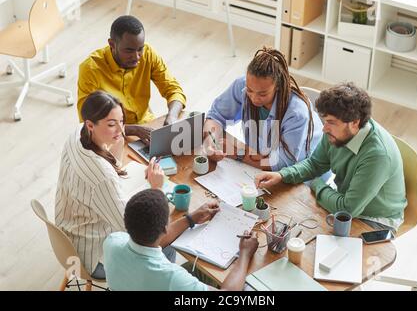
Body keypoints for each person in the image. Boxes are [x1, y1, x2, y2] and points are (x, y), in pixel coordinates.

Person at [55, 91, 195, 279]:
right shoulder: (101, 177)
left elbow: (114, 163)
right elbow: (140, 234)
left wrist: (118, 136)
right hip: (92, 254)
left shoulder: (78, 133)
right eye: (111, 124)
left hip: (69, 228)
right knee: (165, 246)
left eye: (122, 121)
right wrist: (156, 189)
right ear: (90, 125)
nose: (120, 130)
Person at [255, 82, 407, 232]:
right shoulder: (338, 133)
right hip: (345, 198)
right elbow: (315, 164)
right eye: (325, 121)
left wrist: (316, 184)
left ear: (355, 123)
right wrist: (281, 175)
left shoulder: (378, 156)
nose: (324, 128)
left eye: (331, 123)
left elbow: (347, 209)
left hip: (374, 219)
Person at [103, 188, 259, 291]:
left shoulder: (112, 241)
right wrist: (244, 254)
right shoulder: (171, 278)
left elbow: (151, 240)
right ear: (165, 227)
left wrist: (191, 218)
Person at [203, 46, 324, 171]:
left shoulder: (296, 113)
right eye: (250, 90)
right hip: (259, 158)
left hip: (304, 172)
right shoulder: (242, 85)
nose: (254, 98)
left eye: (262, 94)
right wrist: (210, 142)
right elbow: (216, 115)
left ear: (277, 86)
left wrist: (237, 153)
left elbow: (282, 163)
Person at [77, 15, 186, 145]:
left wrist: (172, 116)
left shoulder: (148, 54)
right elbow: (89, 122)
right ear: (112, 44)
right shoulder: (90, 69)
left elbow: (174, 90)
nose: (137, 57)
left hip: (147, 126)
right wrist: (134, 130)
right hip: (110, 137)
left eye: (140, 49)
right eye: (129, 50)